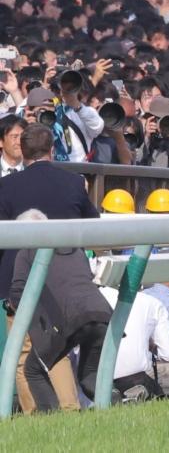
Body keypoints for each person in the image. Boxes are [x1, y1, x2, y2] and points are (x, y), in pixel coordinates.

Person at [0, 123, 99, 413]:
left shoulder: (6, 186)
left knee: (23, 352)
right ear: (52, 150)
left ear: (23, 151)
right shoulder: (72, 183)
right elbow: (94, 228)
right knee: (58, 348)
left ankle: (37, 416)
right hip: (64, 280)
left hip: (19, 281)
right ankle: (69, 409)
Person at [9, 209, 113, 412]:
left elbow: (18, 293)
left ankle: (52, 420)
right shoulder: (74, 248)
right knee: (89, 375)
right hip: (102, 313)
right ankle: (115, 404)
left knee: (33, 369)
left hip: (69, 318)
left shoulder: (27, 251)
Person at [99, 288, 169, 401]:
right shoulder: (151, 302)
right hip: (137, 383)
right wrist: (150, 346)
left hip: (93, 385)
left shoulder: (89, 298)